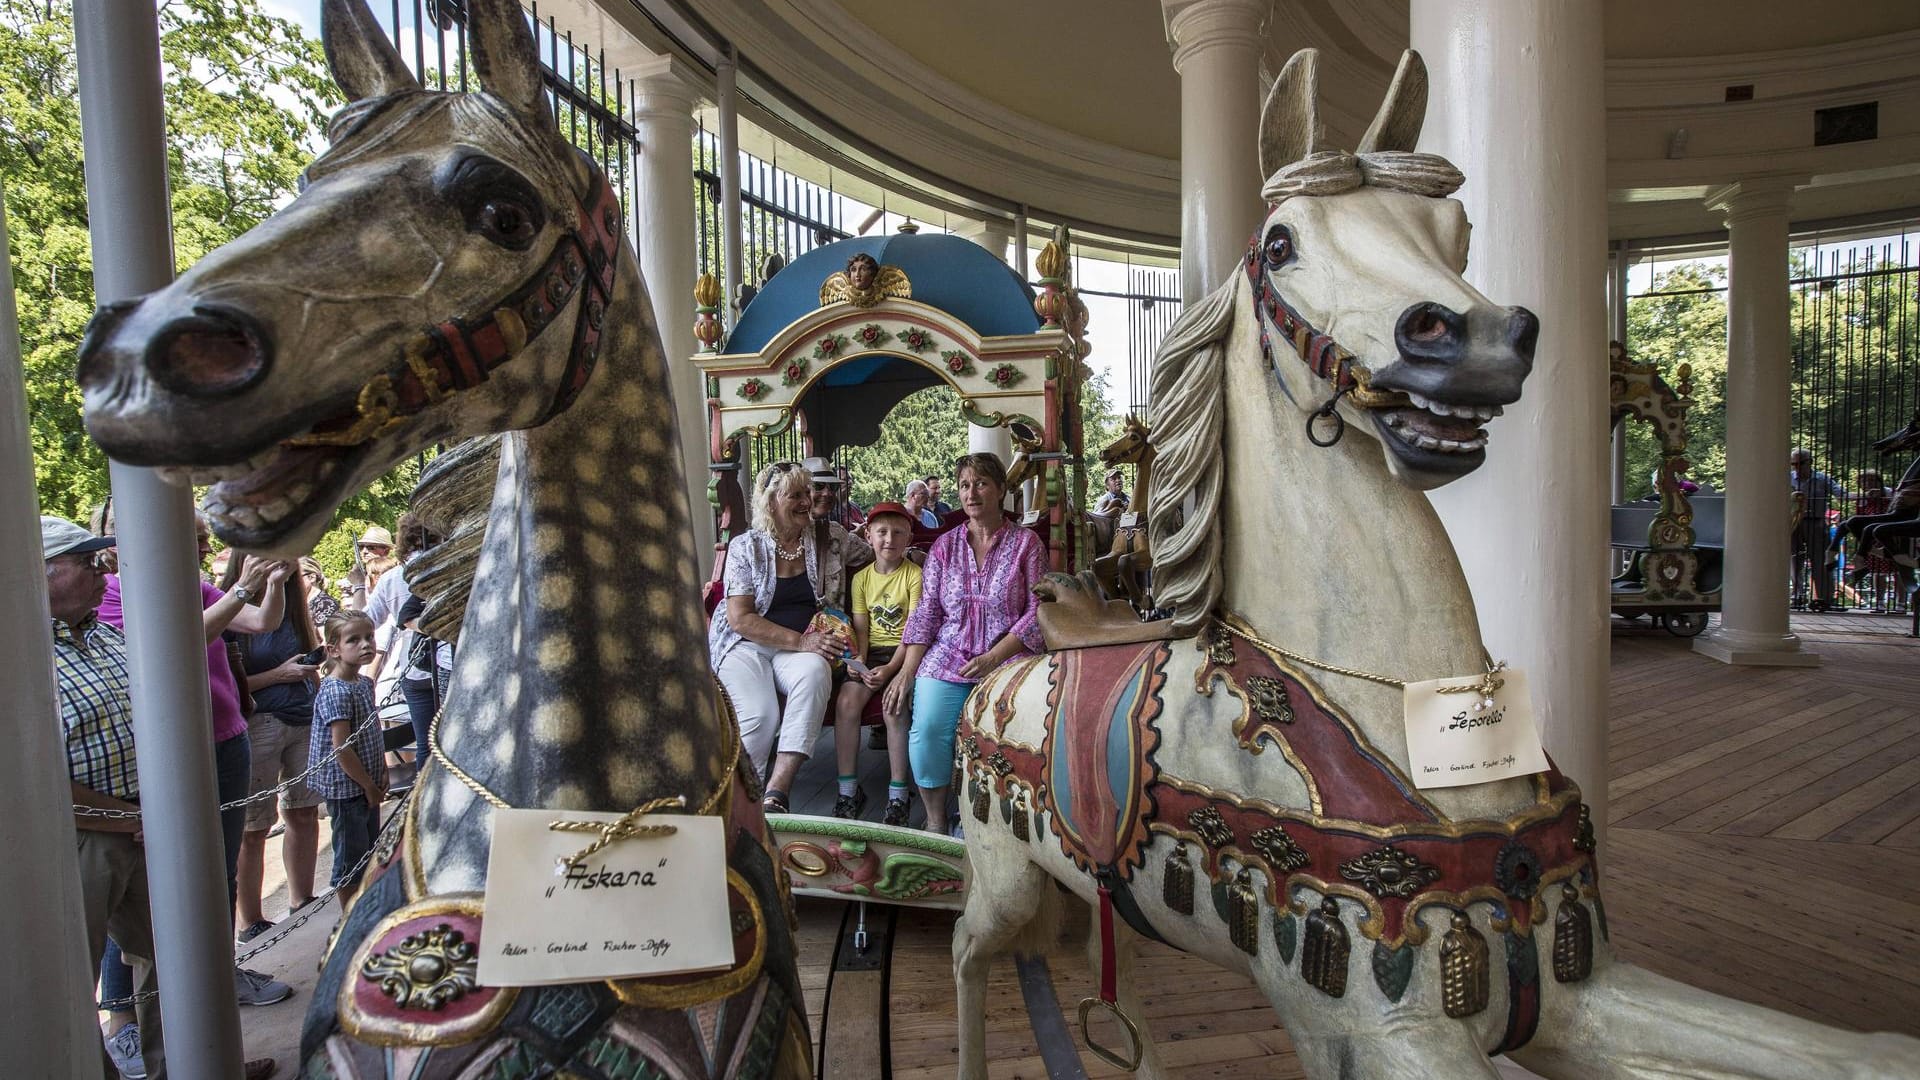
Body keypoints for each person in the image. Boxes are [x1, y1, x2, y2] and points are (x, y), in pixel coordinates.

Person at [97, 517, 294, 1010]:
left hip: (227, 739)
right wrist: (244, 587)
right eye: (198, 537)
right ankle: (128, 1011)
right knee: (143, 886)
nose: (207, 547)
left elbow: (260, 622)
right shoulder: (111, 594)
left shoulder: (197, 586)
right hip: (168, 752)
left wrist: (274, 584)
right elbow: (175, 644)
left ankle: (219, 975)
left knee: (220, 868)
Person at [43, 517, 167, 1080]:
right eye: (85, 561)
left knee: (170, 957)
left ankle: (185, 1063)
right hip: (81, 838)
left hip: (145, 826)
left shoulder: (104, 631)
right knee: (69, 977)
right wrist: (124, 820)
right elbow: (33, 775)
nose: (102, 571)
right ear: (38, 573)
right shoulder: (20, 654)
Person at [885, 453, 1047, 834]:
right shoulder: (944, 547)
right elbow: (926, 612)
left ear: (1001, 490)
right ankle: (938, 820)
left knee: (1011, 730)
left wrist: (994, 656)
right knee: (926, 729)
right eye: (964, 485)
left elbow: (1037, 611)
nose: (971, 493)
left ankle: (998, 822)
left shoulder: (1027, 544)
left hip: (1009, 656)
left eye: (981, 483)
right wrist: (907, 673)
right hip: (949, 656)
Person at [710, 461, 852, 813]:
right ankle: (744, 800)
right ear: (771, 502)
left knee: (816, 672)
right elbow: (741, 619)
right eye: (796, 494)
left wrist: (913, 555)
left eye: (809, 493)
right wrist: (803, 642)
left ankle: (776, 793)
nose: (808, 501)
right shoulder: (746, 547)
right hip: (746, 645)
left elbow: (876, 551)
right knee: (760, 715)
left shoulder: (828, 536)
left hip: (798, 646)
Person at [231, 555, 323, 944]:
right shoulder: (229, 608)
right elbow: (229, 685)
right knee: (254, 827)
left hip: (302, 719)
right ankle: (250, 920)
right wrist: (278, 675)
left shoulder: (296, 607)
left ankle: (302, 899)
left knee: (304, 813)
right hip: (260, 723)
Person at [831, 502, 923, 824]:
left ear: (909, 535)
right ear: (868, 536)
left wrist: (891, 670)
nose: (889, 539)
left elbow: (914, 631)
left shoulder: (914, 576)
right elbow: (862, 627)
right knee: (846, 703)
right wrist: (860, 660)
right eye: (882, 532)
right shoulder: (861, 580)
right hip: (871, 653)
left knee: (892, 707)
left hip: (903, 652)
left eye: (898, 532)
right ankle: (847, 790)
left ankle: (898, 794)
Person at [310, 610, 387, 894]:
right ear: (334, 649)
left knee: (369, 851)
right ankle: (349, 919)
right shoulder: (336, 690)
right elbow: (341, 747)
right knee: (350, 860)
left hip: (368, 782)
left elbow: (371, 733)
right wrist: (368, 784)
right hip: (348, 788)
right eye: (353, 640)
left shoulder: (363, 683)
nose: (366, 644)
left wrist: (380, 772)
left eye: (369, 637)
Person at [802, 456, 874, 609]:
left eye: (832, 487)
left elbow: (875, 553)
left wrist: (908, 553)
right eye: (819, 486)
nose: (828, 493)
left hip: (829, 627)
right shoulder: (776, 536)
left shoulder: (836, 533)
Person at [1790, 448, 1846, 610]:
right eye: (1793, 464)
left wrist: (1867, 495)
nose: (1797, 467)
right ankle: (1797, 596)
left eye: (1800, 463)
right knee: (1794, 561)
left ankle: (1824, 599)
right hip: (1793, 523)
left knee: (1821, 561)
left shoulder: (1822, 479)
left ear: (1810, 462)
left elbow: (1841, 494)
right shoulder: (1786, 478)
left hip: (1816, 522)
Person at [340, 524, 394, 610]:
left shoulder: (391, 574)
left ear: (386, 551)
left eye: (370, 547)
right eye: (361, 547)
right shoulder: (361, 574)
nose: (364, 551)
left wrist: (359, 585)